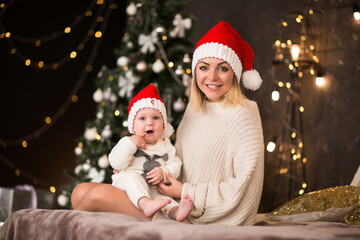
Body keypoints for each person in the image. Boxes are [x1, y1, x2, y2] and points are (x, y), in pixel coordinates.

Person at [71, 21, 264, 226]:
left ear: (234, 73)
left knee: (92, 197)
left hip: (192, 211)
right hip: (164, 197)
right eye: (204, 67)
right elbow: (174, 157)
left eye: (223, 68)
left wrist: (183, 191)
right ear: (195, 71)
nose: (212, 77)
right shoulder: (195, 109)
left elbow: (244, 190)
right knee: (79, 192)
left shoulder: (244, 115)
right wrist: (133, 164)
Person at [108, 84, 193, 221]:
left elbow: (175, 163)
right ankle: (145, 203)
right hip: (126, 185)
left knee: (165, 200)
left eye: (156, 118)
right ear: (133, 126)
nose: (150, 123)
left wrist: (164, 172)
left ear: (163, 124)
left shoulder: (166, 145)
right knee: (132, 177)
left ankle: (177, 212)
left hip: (154, 189)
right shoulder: (127, 141)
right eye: (142, 118)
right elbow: (116, 163)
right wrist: (132, 144)